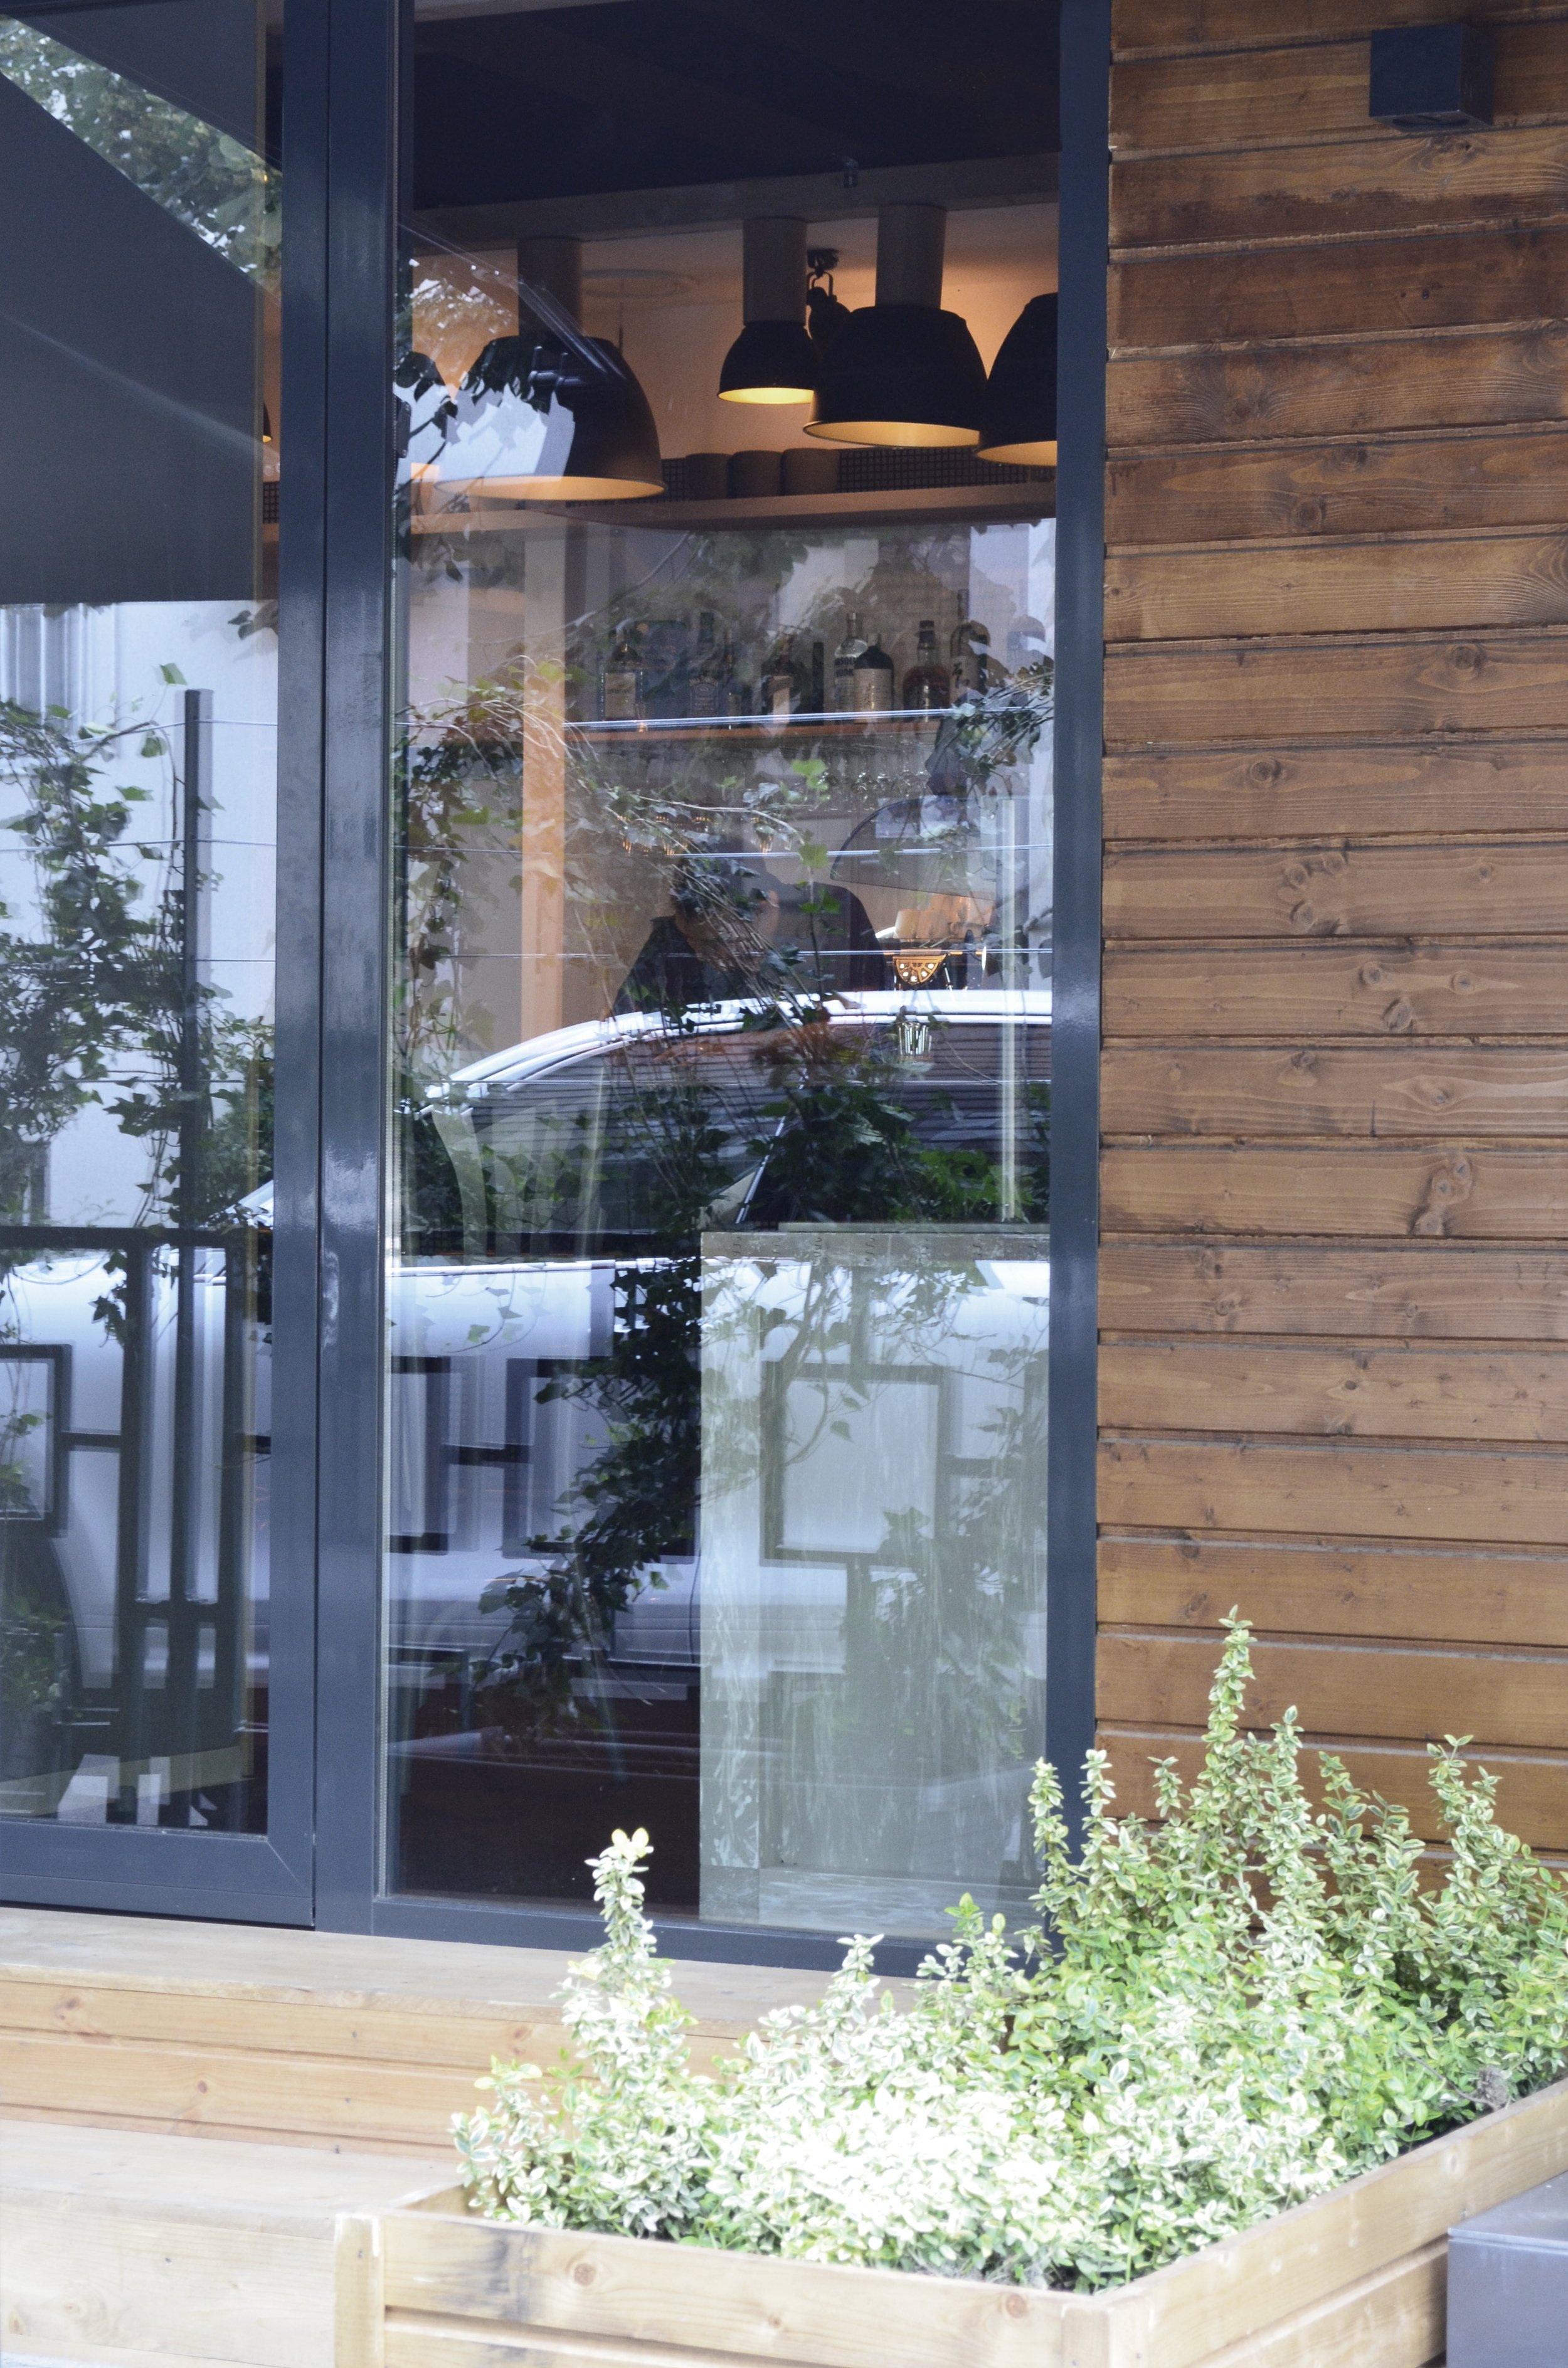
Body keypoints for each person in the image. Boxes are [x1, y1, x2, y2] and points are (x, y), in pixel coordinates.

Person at [614, 851, 883, 1016]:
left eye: (715, 942)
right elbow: (624, 1017)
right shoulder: (672, 936)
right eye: (690, 940)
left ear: (762, 909)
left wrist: (752, 1046)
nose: (697, 953)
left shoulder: (833, 914)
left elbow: (866, 1021)